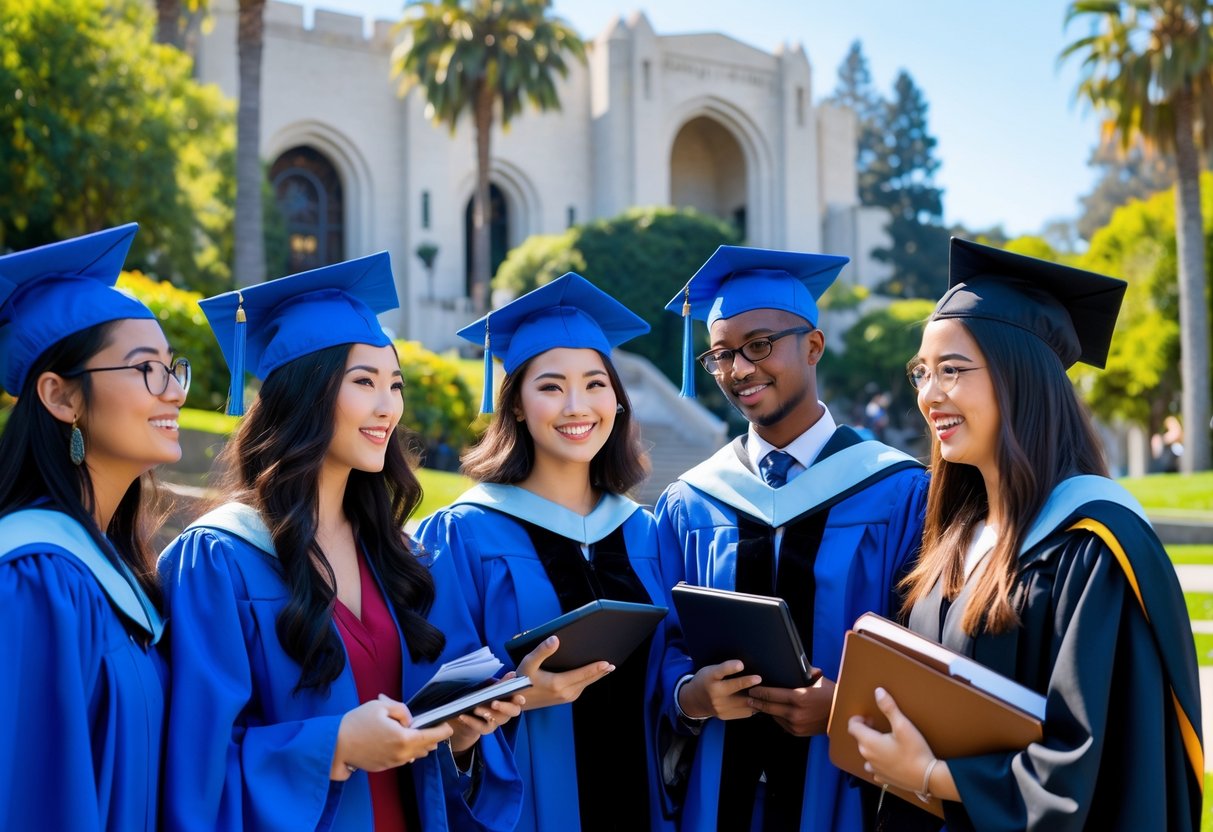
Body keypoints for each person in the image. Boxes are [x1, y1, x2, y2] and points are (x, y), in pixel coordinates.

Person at [158, 253, 524, 832]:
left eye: (395, 385)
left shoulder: (400, 556)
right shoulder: (218, 560)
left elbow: (430, 752)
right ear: (306, 393)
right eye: (364, 383)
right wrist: (333, 747)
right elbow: (195, 771)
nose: (389, 407)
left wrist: (459, 734)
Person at [848, 238, 1202, 830]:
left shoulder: (1091, 545)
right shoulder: (956, 537)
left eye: (951, 371)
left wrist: (934, 778)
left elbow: (1091, 760)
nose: (928, 394)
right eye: (921, 372)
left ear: (1021, 378)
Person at [654, 245, 930, 831]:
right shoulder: (693, 500)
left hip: (845, 790)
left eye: (759, 346)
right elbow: (663, 640)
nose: (740, 370)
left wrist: (844, 707)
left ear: (813, 346)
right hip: (720, 792)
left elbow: (927, 644)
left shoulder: (897, 490)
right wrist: (690, 695)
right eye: (722, 355)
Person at [416, 273, 683, 832]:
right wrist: (515, 698)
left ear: (617, 398)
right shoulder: (464, 535)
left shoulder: (647, 535)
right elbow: (430, 708)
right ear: (514, 406)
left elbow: (668, 678)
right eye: (551, 386)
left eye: (594, 384)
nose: (576, 405)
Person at [0, 224, 190, 830]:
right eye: (146, 370)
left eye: (172, 368)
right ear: (61, 398)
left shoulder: (109, 567)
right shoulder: (34, 579)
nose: (175, 393)